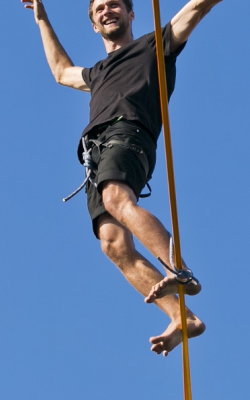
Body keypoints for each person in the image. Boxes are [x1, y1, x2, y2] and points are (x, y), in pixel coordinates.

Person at [21, 0, 224, 356]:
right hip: (94, 157)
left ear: (131, 15)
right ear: (94, 26)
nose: (106, 10)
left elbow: (197, 8)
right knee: (112, 243)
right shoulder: (97, 71)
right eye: (99, 9)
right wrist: (42, 18)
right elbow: (60, 71)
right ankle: (184, 318)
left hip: (127, 134)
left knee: (117, 199)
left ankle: (179, 270)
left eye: (114, 5)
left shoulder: (153, 45)